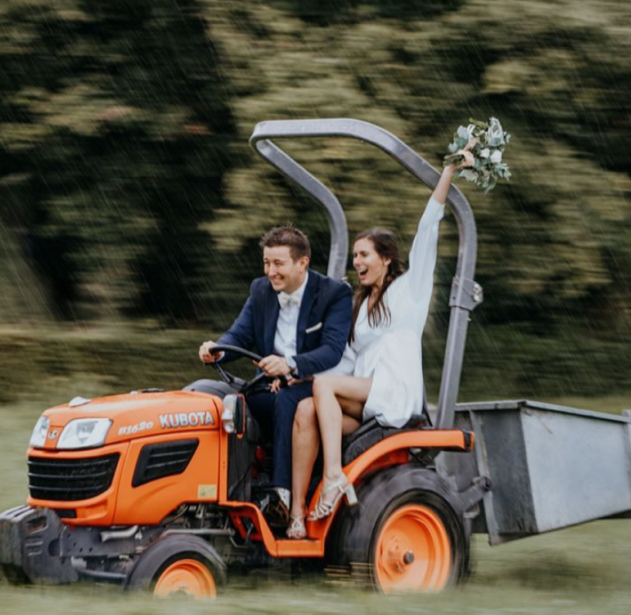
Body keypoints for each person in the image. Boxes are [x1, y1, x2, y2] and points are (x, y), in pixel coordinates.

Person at [286, 145, 476, 539]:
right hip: (366, 396)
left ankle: (334, 476)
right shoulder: (360, 306)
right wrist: (298, 372)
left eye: (364, 254)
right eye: (355, 255)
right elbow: (346, 362)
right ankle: (297, 513)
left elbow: (428, 229)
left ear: (386, 258)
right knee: (306, 408)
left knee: (325, 387)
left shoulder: (410, 290)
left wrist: (448, 172)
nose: (357, 262)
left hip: (393, 392)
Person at [199, 225, 352, 524]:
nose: (271, 271)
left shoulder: (334, 294)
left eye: (278, 263)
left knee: (286, 400)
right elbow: (239, 335)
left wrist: (290, 364)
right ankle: (224, 487)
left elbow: (332, 350)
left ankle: (282, 497)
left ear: (302, 263)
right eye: (267, 263)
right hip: (270, 383)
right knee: (227, 403)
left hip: (312, 382)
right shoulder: (260, 290)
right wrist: (218, 350)